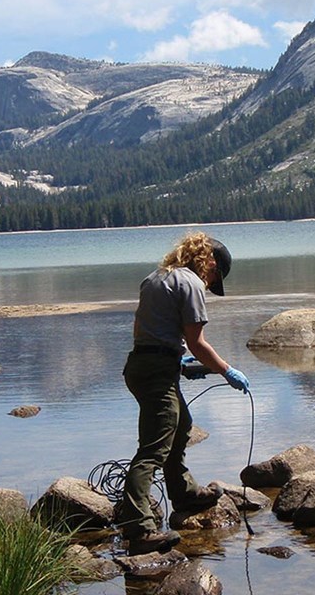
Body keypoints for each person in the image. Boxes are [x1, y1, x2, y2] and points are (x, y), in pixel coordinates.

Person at [119, 231, 250, 556]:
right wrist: (226, 370)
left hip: (142, 364)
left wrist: (179, 361)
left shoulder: (157, 277)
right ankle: (139, 530)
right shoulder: (190, 283)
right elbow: (197, 341)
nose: (210, 282)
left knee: (180, 428)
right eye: (215, 275)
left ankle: (185, 494)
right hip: (157, 370)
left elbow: (150, 330)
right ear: (209, 262)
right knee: (152, 450)